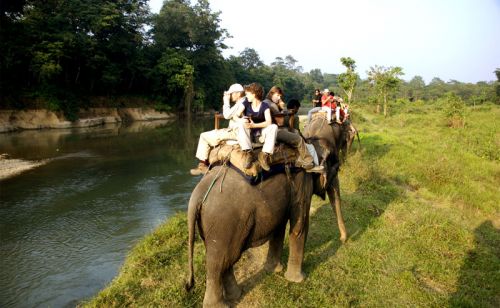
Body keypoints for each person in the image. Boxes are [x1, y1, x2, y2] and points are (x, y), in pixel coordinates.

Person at [190, 83, 246, 175]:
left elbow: (227, 115)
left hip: (235, 133)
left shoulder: (241, 103)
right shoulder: (243, 102)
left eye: (231, 93)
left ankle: (203, 165)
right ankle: (204, 164)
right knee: (212, 134)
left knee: (203, 136)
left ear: (238, 94)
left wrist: (226, 101)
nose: (230, 96)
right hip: (236, 130)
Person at [263, 86, 323, 173]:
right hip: (276, 131)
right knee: (299, 140)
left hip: (267, 130)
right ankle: (310, 163)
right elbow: (281, 123)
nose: (279, 98)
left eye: (280, 96)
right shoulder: (272, 104)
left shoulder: (264, 102)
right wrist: (281, 107)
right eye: (278, 95)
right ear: (272, 94)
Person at [234, 83, 278, 171]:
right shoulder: (246, 102)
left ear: (254, 94)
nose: (246, 96)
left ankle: (264, 155)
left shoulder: (265, 106)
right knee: (240, 123)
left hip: (261, 133)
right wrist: (241, 120)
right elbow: (235, 116)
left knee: (273, 127)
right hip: (248, 132)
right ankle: (249, 153)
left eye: (247, 94)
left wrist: (254, 125)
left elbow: (268, 122)